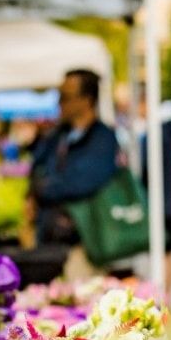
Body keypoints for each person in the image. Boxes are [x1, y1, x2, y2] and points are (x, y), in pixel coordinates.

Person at [29, 69, 119, 266]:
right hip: (48, 238)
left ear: (86, 100)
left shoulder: (103, 138)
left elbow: (83, 182)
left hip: (85, 243)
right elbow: (36, 168)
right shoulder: (56, 136)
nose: (59, 103)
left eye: (65, 97)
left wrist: (44, 187)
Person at [140, 100, 171, 285]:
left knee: (160, 251)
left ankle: (163, 292)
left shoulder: (152, 137)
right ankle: (167, 291)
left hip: (157, 201)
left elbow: (144, 169)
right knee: (169, 252)